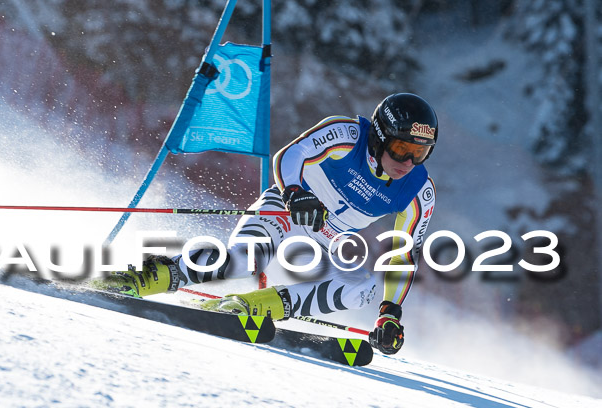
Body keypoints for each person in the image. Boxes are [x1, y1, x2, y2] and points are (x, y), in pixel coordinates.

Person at [106, 93, 438, 355]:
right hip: (286, 210)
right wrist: (295, 193)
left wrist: (390, 313)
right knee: (244, 261)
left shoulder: (418, 192)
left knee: (362, 290)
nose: (408, 162)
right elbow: (290, 155)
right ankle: (149, 277)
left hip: (322, 242)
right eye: (400, 149)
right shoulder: (348, 134)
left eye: (419, 154)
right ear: (379, 138)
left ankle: (255, 306)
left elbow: (403, 256)